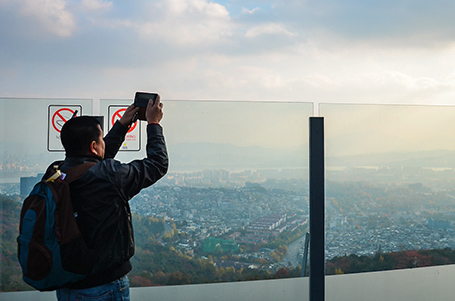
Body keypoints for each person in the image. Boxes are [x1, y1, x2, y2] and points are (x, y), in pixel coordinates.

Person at [56, 96, 168, 300]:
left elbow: (95, 160)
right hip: (104, 285)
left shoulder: (58, 173)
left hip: (66, 285)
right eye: (101, 140)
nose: (103, 144)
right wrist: (153, 124)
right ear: (93, 146)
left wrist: (122, 125)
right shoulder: (108, 176)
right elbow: (157, 164)